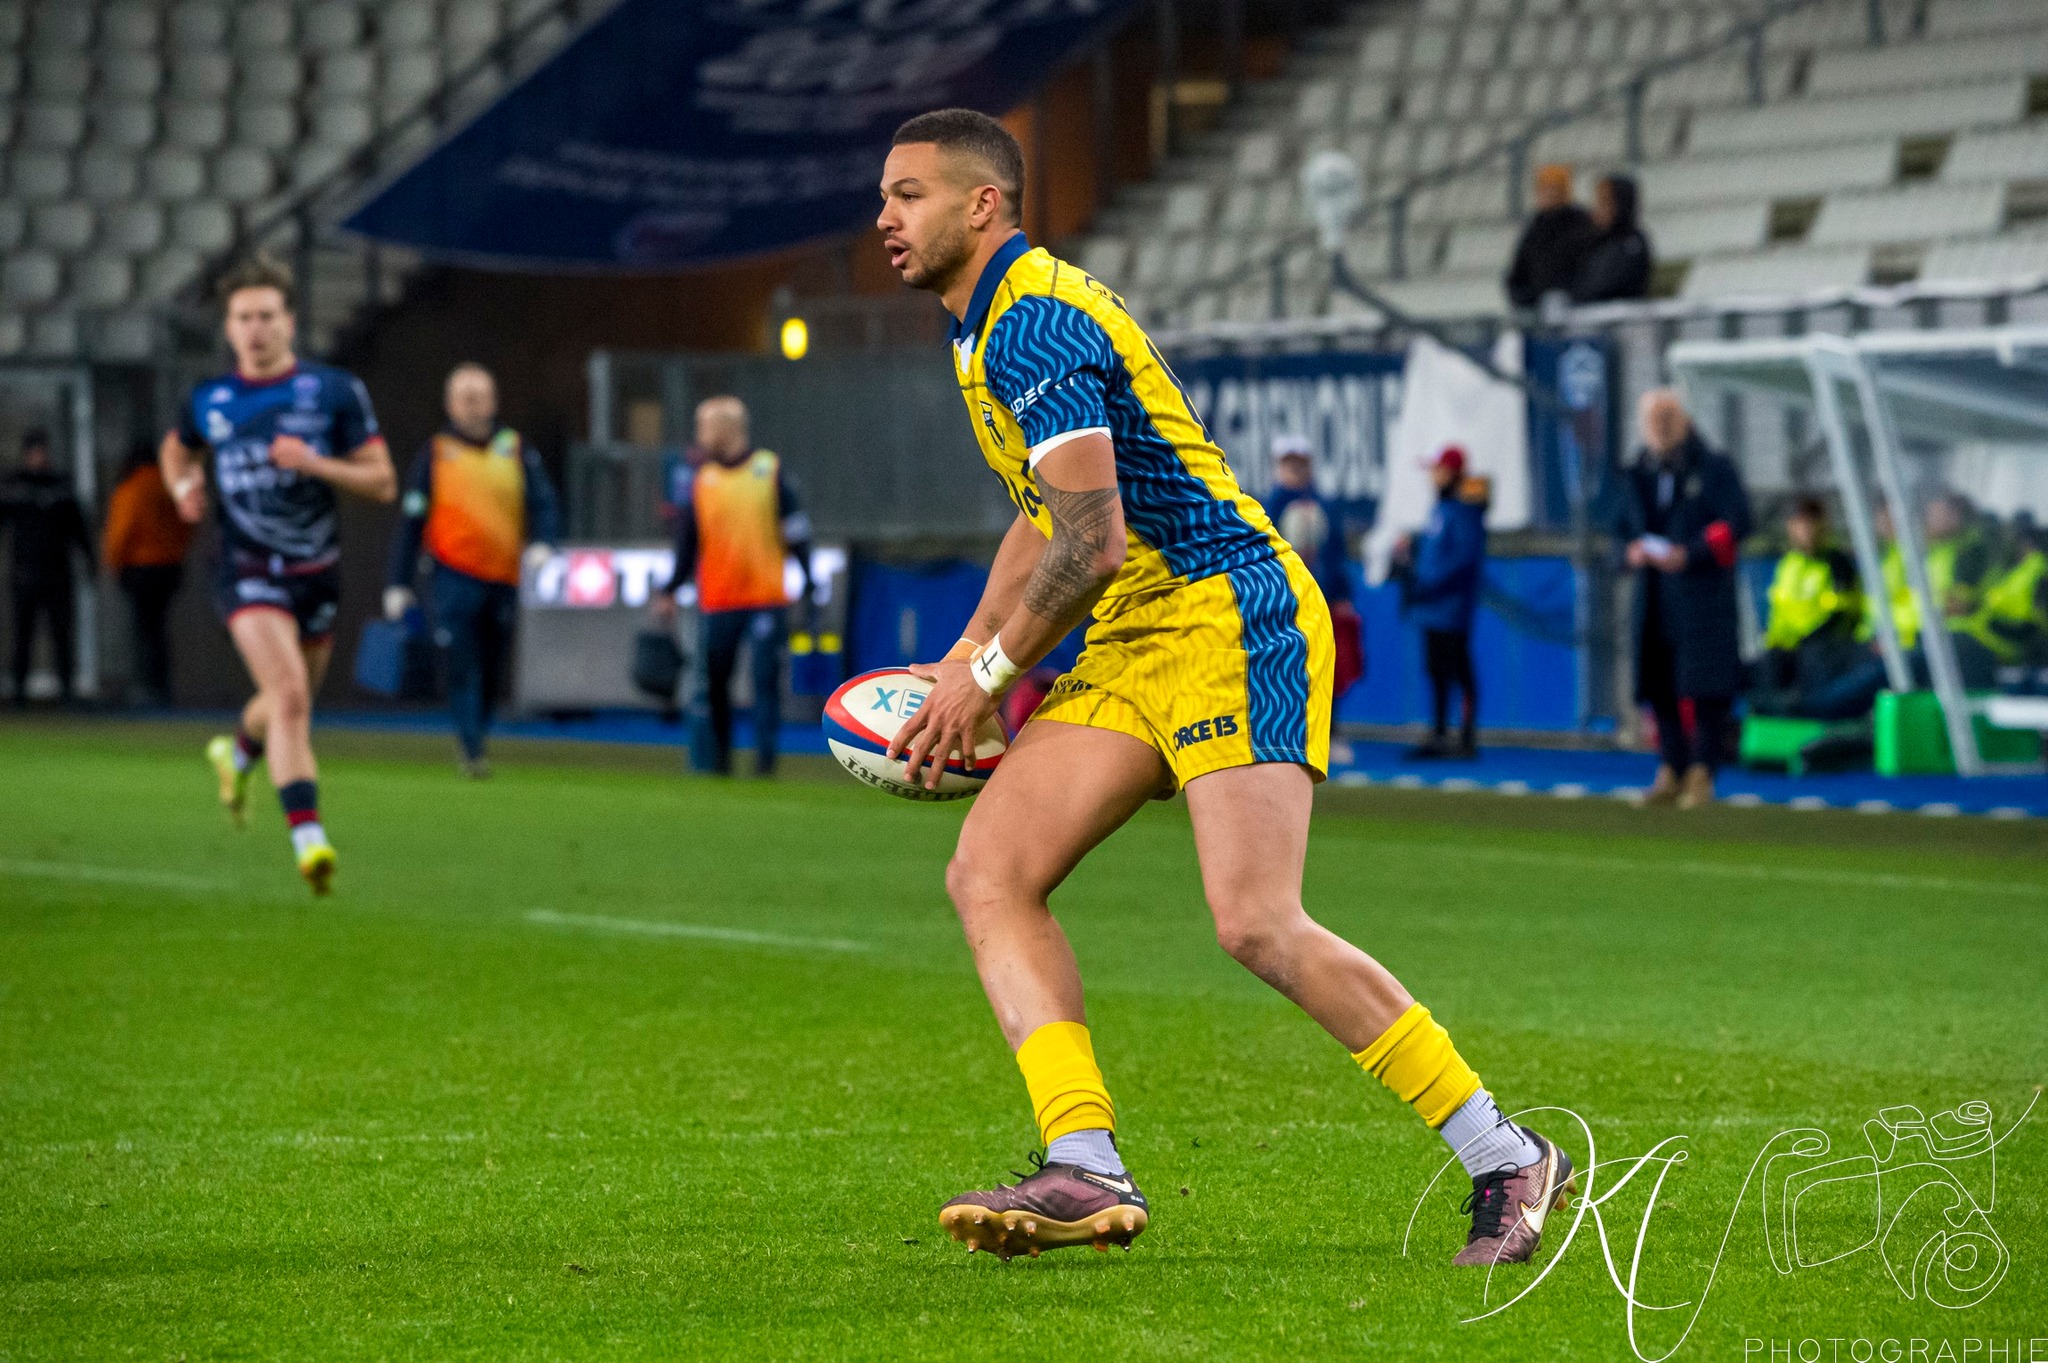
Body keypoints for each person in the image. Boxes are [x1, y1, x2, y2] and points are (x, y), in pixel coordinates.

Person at [877, 108, 1573, 1267]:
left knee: (1254, 920)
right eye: (884, 198)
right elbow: (1040, 514)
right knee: (988, 871)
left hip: (1224, 610)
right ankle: (1084, 1162)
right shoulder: (977, 326)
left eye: (907, 195)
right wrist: (961, 662)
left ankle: (1504, 1153)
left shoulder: (1031, 324)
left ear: (982, 204)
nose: (884, 220)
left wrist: (993, 674)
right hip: (1136, 632)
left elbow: (1089, 537)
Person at [161, 255, 396, 895]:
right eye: (243, 318)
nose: (256, 329)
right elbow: (177, 447)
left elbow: (381, 481)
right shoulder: (209, 400)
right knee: (291, 697)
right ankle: (309, 839)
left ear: (290, 321)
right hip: (244, 570)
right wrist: (181, 484)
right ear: (228, 328)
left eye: (267, 315)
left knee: (287, 704)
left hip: (315, 572)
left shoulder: (334, 391)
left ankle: (236, 751)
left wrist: (317, 464)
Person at [385, 363, 561, 778]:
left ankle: (478, 731)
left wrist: (544, 543)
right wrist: (398, 582)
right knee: (460, 660)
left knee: (492, 661)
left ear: (494, 401)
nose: (472, 404)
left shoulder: (516, 448)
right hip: (451, 576)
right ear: (449, 404)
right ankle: (471, 747)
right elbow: (411, 521)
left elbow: (544, 502)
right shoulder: (436, 452)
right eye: (463, 396)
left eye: (479, 395)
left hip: (502, 576)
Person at [653, 395, 813, 776]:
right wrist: (670, 588)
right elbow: (688, 544)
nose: (699, 434)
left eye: (704, 425)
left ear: (726, 428)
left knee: (764, 684)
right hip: (719, 600)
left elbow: (796, 529)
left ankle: (764, 765)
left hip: (765, 599)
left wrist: (807, 579)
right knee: (717, 685)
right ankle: (720, 762)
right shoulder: (701, 480)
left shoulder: (768, 470)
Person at [1611, 389, 1752, 809]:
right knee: (1660, 682)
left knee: (1705, 684)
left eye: (1668, 416)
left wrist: (1690, 554)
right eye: (1652, 419)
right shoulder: (1636, 472)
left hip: (1701, 596)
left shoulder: (1714, 468)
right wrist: (1628, 554)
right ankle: (1670, 766)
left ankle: (1702, 771)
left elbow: (1738, 522)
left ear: (1685, 419)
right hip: (1654, 596)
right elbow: (1616, 534)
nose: (1660, 426)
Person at [1260, 434, 1362, 764]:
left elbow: (1335, 555)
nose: (1295, 468)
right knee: (1281, 666)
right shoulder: (1267, 505)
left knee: (1325, 666)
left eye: (1300, 462)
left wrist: (1342, 595)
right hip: (1283, 599)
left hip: (1320, 598)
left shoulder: (1324, 504)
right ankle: (1282, 734)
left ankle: (1330, 732)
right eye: (1289, 462)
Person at [1395, 446, 1488, 759]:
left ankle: (1465, 736)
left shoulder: (1463, 509)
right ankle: (1440, 732)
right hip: (1433, 608)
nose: (1433, 477)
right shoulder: (1442, 508)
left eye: (1438, 470)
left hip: (1451, 607)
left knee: (1458, 669)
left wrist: (1428, 585)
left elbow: (1463, 558)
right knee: (1436, 670)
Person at [102, 439, 195, 706]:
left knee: (143, 630)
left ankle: (146, 687)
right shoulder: (170, 488)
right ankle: (161, 686)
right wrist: (176, 552)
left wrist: (114, 563)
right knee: (158, 629)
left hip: (140, 568)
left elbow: (120, 532)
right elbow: (187, 523)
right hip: (169, 567)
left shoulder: (132, 488)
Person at [2, 430, 92, 704]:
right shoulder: (15, 487)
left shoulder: (61, 488)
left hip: (57, 574)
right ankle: (19, 690)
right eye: (34, 452)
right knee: (23, 635)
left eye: (43, 451)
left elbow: (79, 529)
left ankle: (67, 689)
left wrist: (90, 561)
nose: (39, 457)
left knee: (61, 634)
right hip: (24, 573)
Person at [1748, 497, 1860, 715]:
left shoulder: (1836, 562)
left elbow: (1844, 613)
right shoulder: (1787, 564)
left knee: (1814, 661)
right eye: (1800, 523)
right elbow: (1779, 612)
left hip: (1823, 644)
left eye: (1811, 523)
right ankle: (1770, 730)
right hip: (1787, 645)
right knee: (1766, 667)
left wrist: (1809, 639)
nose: (1806, 530)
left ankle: (1814, 721)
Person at [1504, 163, 1594, 311]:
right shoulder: (1535, 228)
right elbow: (1518, 273)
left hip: (1575, 306)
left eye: (1554, 188)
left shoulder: (1581, 224)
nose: (1549, 194)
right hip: (1538, 308)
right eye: (1544, 188)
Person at [1571, 174, 1652, 304]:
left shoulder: (1631, 244)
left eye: (1604, 202)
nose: (1597, 209)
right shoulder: (1593, 241)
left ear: (1621, 204)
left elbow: (1603, 287)